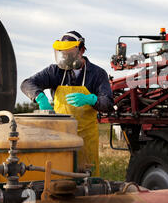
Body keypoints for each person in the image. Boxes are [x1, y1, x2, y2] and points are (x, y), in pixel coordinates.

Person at [21, 31, 113, 176]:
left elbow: (108, 104)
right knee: (59, 180)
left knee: (87, 183)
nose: (66, 57)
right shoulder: (55, 71)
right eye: (63, 53)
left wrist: (92, 99)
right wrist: (39, 97)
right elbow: (27, 83)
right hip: (60, 139)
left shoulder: (97, 74)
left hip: (86, 141)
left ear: (81, 50)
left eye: (69, 53)